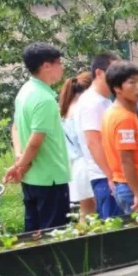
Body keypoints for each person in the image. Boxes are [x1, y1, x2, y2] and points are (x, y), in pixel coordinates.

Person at [4, 43, 71, 232]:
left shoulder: (25, 91)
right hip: (50, 178)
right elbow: (35, 143)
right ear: (46, 66)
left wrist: (19, 159)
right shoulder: (44, 99)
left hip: (31, 177)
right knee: (54, 235)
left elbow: (15, 127)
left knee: (32, 234)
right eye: (59, 63)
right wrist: (19, 165)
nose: (62, 68)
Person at [102, 62, 138, 214]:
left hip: (128, 185)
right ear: (117, 88)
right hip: (136, 187)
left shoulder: (115, 112)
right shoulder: (123, 117)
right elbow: (126, 159)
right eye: (132, 83)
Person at [75, 52, 122, 218]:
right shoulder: (91, 102)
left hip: (113, 175)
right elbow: (93, 142)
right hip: (105, 177)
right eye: (114, 71)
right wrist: (110, 175)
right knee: (114, 227)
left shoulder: (105, 101)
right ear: (99, 73)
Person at [59, 70, 96, 219]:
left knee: (85, 213)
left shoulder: (65, 110)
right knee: (94, 213)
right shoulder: (82, 109)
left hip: (76, 166)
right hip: (88, 164)